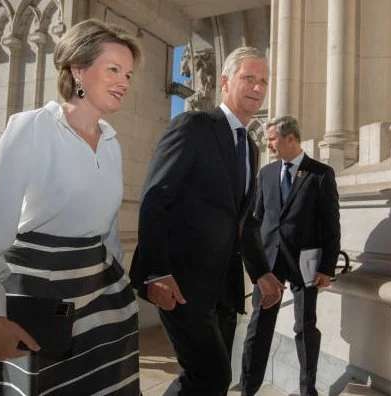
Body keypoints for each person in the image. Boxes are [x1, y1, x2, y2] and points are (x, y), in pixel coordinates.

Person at [0, 19, 142, 395]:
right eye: (114, 69)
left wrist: (121, 289)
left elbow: (108, 231)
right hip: (34, 299)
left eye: (129, 75)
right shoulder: (31, 127)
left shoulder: (113, 143)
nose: (124, 82)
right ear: (78, 69)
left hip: (100, 305)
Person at [129, 46, 284, 395]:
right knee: (210, 377)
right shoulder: (193, 126)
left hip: (224, 290)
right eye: (249, 78)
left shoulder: (252, 147)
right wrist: (157, 271)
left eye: (263, 81)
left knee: (211, 383)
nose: (257, 87)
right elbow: (155, 198)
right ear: (225, 82)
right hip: (180, 283)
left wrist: (261, 271)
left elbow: (242, 220)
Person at [239, 115, 341, 396]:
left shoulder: (320, 174)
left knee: (305, 327)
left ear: (291, 138)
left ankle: (308, 390)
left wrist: (326, 268)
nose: (268, 144)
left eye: (272, 139)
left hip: (305, 265)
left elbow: (331, 225)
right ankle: (248, 388)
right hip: (268, 263)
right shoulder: (267, 174)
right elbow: (256, 220)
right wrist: (256, 266)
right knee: (258, 327)